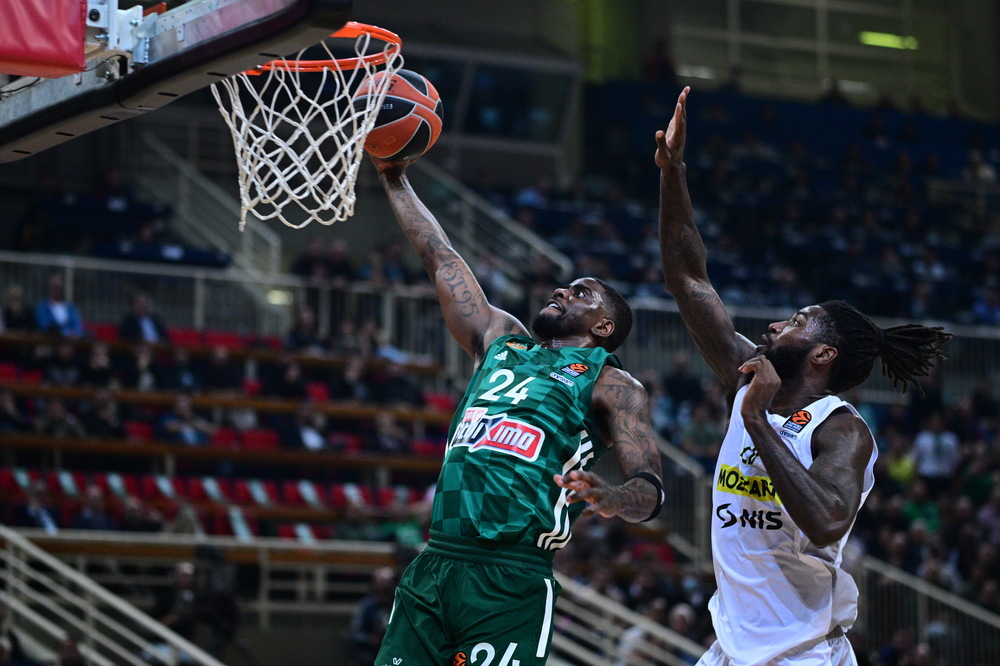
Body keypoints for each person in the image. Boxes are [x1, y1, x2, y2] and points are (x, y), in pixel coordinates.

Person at [655, 87, 954, 666]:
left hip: (803, 652)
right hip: (730, 648)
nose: (774, 325)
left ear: (823, 354)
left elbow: (826, 520)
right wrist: (673, 174)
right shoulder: (747, 375)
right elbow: (689, 281)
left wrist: (755, 421)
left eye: (795, 322)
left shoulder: (841, 429)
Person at [370, 157, 664, 666]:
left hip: (511, 576)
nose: (562, 290)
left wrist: (614, 497)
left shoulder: (612, 383)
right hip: (436, 561)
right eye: (565, 286)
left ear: (603, 328)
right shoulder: (501, 339)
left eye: (581, 293)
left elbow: (652, 490)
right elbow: (440, 257)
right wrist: (394, 179)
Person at [35, 273, 84, 338]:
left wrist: (74, 334)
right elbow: (44, 327)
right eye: (54, 287)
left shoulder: (71, 308)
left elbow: (78, 327)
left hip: (73, 341)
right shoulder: (42, 308)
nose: (56, 290)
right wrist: (65, 334)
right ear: (49, 288)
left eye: (59, 287)